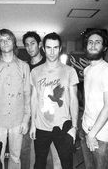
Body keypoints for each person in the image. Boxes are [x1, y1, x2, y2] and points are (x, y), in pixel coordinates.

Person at [30, 32, 79, 169]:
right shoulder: (35, 72)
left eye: (55, 47)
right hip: (41, 126)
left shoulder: (69, 71)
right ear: (43, 49)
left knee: (66, 164)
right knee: (39, 163)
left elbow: (74, 99)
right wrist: (33, 124)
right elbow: (34, 99)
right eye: (49, 48)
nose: (52, 52)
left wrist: (74, 127)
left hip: (63, 126)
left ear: (60, 48)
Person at [0, 28, 31, 169]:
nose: (5, 42)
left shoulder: (24, 66)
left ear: (14, 43)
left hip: (17, 121)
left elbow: (27, 94)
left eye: (8, 39)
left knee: (15, 156)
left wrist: (26, 119)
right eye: (1, 40)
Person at [79, 29, 108, 169]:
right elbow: (89, 100)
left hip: (101, 135)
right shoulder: (87, 70)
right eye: (90, 42)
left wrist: (92, 134)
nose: (93, 45)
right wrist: (85, 128)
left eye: (98, 42)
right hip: (86, 129)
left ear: (104, 47)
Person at [22, 31, 61, 169]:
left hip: (50, 116)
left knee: (55, 155)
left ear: (39, 45)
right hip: (30, 116)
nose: (30, 47)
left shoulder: (50, 63)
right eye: (26, 45)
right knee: (31, 154)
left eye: (32, 43)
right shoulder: (25, 67)